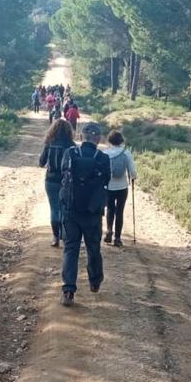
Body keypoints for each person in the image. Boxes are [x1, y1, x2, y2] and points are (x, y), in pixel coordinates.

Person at [59, 122, 111, 306]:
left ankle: (68, 291)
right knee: (93, 248)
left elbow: (62, 174)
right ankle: (95, 282)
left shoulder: (70, 153)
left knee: (71, 248)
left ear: (81, 137)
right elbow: (107, 180)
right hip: (93, 212)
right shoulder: (103, 158)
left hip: (71, 210)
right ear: (99, 139)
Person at [39, 119, 75, 247]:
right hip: (67, 182)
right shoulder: (71, 145)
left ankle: (55, 237)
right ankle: (65, 236)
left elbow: (41, 162)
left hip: (51, 180)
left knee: (54, 208)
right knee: (66, 208)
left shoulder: (50, 144)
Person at [103, 130, 137, 247]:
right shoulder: (126, 153)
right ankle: (117, 238)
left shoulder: (106, 153)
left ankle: (108, 230)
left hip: (109, 186)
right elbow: (132, 171)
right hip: (122, 186)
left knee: (110, 209)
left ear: (110, 140)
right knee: (120, 211)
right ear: (121, 140)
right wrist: (133, 177)